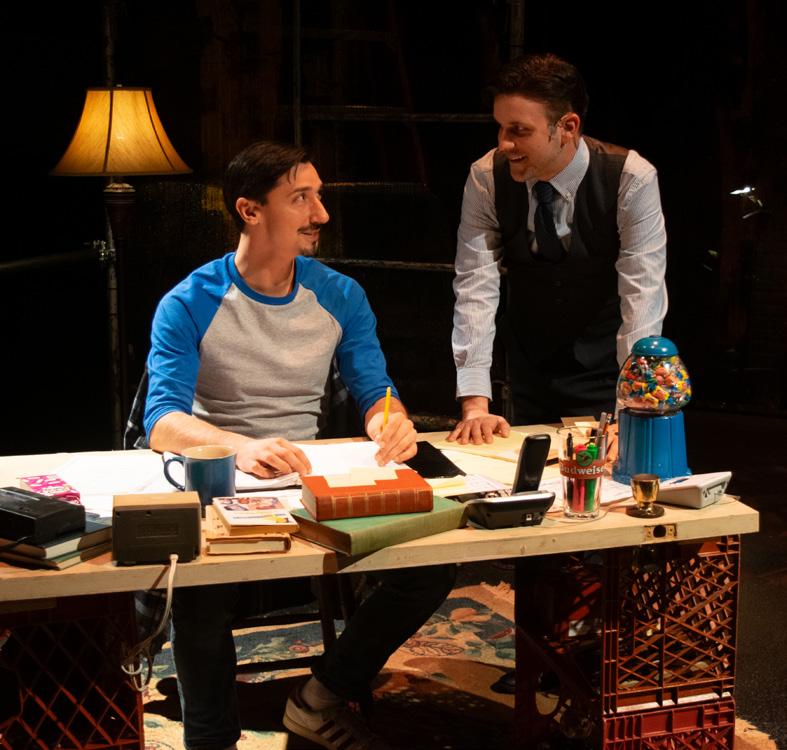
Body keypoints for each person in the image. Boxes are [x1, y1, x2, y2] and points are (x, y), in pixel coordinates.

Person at [144, 141, 456, 750]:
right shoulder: (190, 301)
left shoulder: (340, 294)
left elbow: (375, 389)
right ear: (250, 210)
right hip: (222, 482)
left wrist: (389, 421)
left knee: (432, 563)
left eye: (319, 196)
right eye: (301, 199)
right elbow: (162, 421)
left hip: (308, 482)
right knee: (197, 590)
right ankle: (212, 740)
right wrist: (240, 446)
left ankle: (320, 696)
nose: (321, 214)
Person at [449, 53, 667, 445]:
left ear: (567, 127)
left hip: (606, 372)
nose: (504, 144)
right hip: (529, 368)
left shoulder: (630, 178)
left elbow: (642, 297)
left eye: (519, 131)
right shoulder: (487, 177)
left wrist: (632, 408)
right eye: (500, 128)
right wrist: (475, 403)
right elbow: (475, 286)